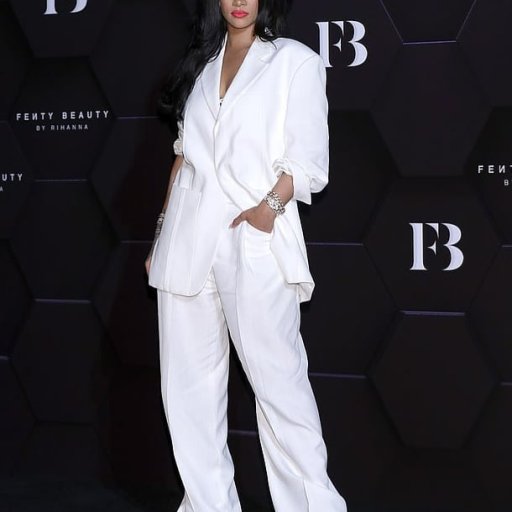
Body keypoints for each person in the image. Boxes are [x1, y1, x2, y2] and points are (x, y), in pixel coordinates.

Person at [145, 0, 348, 510]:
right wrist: (161, 233)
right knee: (187, 397)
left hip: (253, 241)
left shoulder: (294, 61)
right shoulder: (201, 65)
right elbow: (183, 158)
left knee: (282, 390)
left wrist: (268, 210)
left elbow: (308, 159)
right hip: (186, 244)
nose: (238, 1)